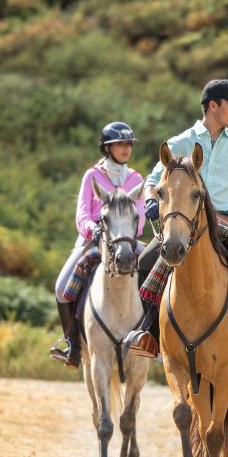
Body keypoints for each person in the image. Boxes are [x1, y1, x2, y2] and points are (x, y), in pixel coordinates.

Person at [124, 79, 228, 367]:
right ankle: (149, 333)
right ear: (213, 106)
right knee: (145, 261)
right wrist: (152, 200)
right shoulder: (179, 143)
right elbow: (152, 181)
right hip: (186, 222)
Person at [49, 122, 146, 367]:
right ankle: (72, 344)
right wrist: (93, 229)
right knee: (61, 289)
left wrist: (130, 233)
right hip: (92, 240)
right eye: (120, 144)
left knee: (158, 272)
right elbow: (82, 213)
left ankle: (153, 338)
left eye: (129, 144)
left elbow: (141, 216)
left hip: (126, 240)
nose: (126, 148)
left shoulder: (136, 179)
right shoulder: (92, 175)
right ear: (107, 148)